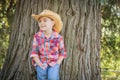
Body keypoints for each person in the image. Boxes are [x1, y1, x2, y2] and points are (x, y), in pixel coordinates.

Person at [30, 10, 67, 80]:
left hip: (54, 63)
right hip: (40, 62)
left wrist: (57, 64)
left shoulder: (58, 37)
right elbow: (34, 51)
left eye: (45, 20)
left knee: (52, 77)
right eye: (39, 21)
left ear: (53, 23)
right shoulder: (37, 36)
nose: (42, 23)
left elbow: (62, 52)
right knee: (41, 77)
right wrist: (39, 63)